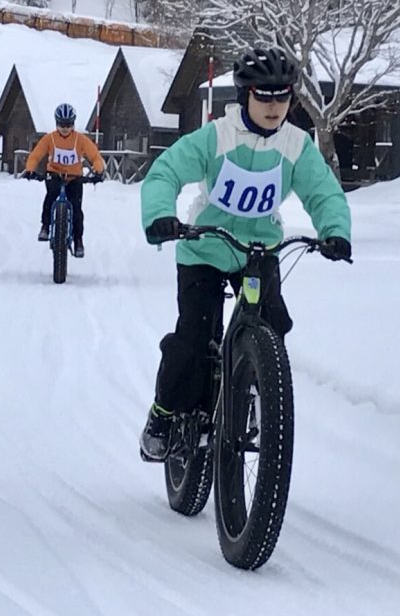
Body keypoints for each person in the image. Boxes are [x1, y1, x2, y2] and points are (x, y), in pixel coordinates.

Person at [138, 46, 352, 461]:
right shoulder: (217, 136)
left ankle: (254, 396)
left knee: (273, 325)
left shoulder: (297, 145)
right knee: (194, 339)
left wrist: (335, 231)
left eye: (283, 97)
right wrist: (162, 215)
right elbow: (166, 171)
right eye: (264, 96)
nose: (274, 107)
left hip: (258, 251)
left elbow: (323, 192)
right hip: (205, 247)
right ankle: (164, 413)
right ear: (245, 96)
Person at [21, 103, 105, 258]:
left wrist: (99, 170)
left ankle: (78, 240)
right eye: (61, 124)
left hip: (74, 178)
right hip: (54, 175)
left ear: (73, 124)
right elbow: (36, 155)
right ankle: (45, 226)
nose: (65, 128)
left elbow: (94, 156)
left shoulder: (80, 140)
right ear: (56, 123)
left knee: (76, 208)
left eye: (68, 124)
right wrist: (30, 169)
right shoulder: (50, 138)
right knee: (50, 197)